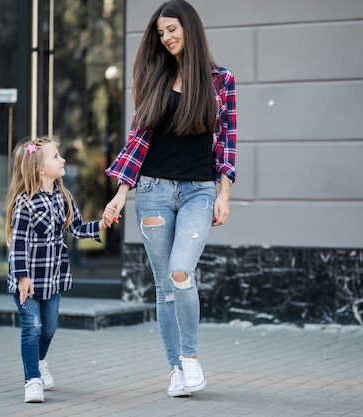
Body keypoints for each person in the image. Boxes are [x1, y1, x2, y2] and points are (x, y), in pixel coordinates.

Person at [103, 0, 237, 398]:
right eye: (160, 33)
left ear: (189, 29)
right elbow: (137, 139)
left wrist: (224, 191)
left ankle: (191, 358)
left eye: (172, 30)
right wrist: (121, 193)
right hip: (153, 192)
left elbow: (227, 139)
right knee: (164, 286)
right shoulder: (154, 77)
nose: (166, 38)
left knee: (182, 271)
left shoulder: (220, 80)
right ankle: (175, 369)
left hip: (200, 191)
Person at [5, 135, 113, 403]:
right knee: (32, 326)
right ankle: (32, 380)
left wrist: (101, 224)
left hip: (52, 278)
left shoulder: (64, 197)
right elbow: (18, 244)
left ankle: (40, 361)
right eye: (56, 157)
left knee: (49, 327)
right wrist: (22, 277)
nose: (63, 159)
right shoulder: (25, 203)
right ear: (40, 168)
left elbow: (76, 228)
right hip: (27, 280)